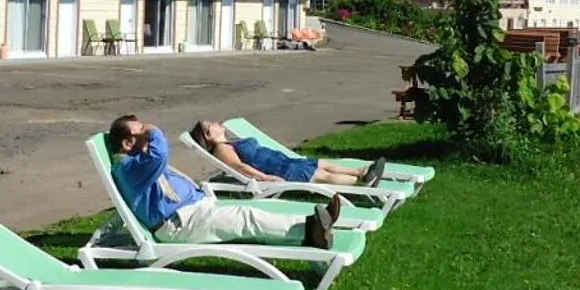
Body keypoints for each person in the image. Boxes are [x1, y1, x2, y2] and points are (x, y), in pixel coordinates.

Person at [107, 115, 343, 248]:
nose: (147, 134)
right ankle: (310, 230)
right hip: (180, 224)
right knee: (245, 218)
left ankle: (312, 225)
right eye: (141, 133)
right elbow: (160, 154)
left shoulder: (137, 163)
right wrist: (153, 129)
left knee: (248, 215)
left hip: (193, 212)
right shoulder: (130, 168)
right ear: (128, 144)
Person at [188, 120, 387, 188]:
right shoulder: (222, 148)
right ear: (208, 135)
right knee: (322, 176)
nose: (216, 123)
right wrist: (265, 178)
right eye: (211, 125)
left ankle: (362, 172)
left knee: (322, 164)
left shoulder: (229, 142)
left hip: (283, 162)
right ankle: (362, 182)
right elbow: (240, 167)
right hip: (279, 169)